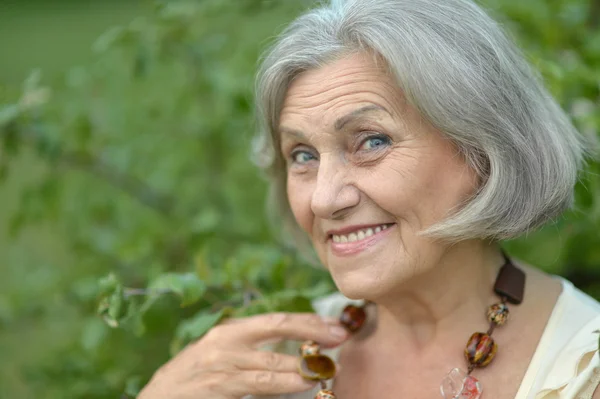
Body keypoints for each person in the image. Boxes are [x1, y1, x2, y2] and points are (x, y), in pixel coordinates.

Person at [138, 0, 600, 398]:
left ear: (482, 152)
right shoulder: (268, 360)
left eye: (371, 142)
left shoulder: (582, 371)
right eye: (302, 154)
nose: (323, 199)